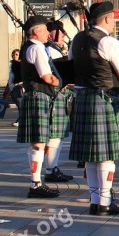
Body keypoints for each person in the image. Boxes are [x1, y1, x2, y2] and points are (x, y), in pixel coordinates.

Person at [69, 1, 119, 215]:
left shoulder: (76, 39)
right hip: (104, 99)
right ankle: (105, 202)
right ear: (105, 19)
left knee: (91, 156)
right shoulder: (109, 41)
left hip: (83, 97)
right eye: (113, 18)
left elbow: (70, 65)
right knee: (106, 156)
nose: (114, 22)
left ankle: (95, 201)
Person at [16, 15, 61, 198]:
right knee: (39, 143)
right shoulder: (36, 48)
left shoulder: (30, 47)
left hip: (34, 96)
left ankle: (36, 182)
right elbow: (47, 77)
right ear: (36, 31)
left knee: (37, 143)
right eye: (44, 29)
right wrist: (60, 82)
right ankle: (35, 184)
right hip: (39, 96)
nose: (48, 33)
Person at [41, 20, 74, 184]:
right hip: (57, 95)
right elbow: (61, 74)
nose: (62, 36)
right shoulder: (51, 51)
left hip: (60, 95)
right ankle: (50, 169)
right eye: (60, 32)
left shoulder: (53, 50)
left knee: (58, 135)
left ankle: (52, 167)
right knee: (55, 134)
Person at [8, 49, 23, 126]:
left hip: (24, 90)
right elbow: (10, 83)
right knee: (21, 104)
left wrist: (21, 83)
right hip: (16, 91)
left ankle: (20, 120)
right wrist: (14, 86)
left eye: (16, 54)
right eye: (13, 55)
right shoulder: (13, 68)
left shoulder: (24, 66)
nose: (14, 56)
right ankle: (20, 121)